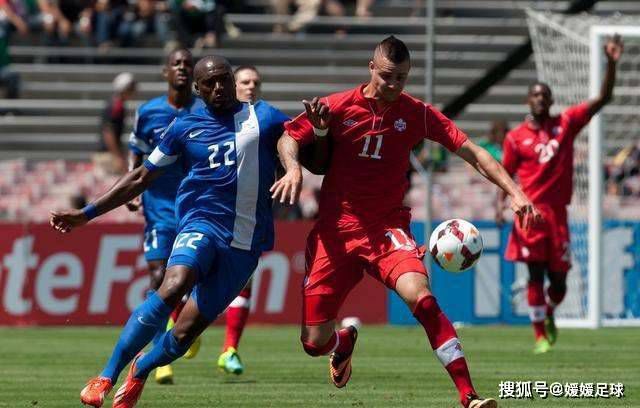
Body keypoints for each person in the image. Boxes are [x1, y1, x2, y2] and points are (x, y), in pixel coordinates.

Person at [273, 35, 538, 408]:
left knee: (423, 299)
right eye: (386, 76)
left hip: (387, 230)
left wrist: (515, 192)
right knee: (314, 343)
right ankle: (342, 341)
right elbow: (288, 137)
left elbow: (472, 152)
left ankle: (468, 395)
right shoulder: (337, 106)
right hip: (335, 233)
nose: (394, 85)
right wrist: (293, 169)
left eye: (401, 77)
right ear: (371, 68)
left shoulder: (417, 113)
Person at [50, 55, 289, 407]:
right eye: (210, 82)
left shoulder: (263, 115)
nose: (220, 87)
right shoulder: (183, 127)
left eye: (224, 79)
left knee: (186, 332)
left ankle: (141, 368)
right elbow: (140, 177)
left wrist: (295, 164)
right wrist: (87, 214)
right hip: (200, 223)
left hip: (245, 241)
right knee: (173, 283)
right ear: (198, 88)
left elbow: (295, 139)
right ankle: (105, 375)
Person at [496, 35, 623, 354]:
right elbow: (504, 175)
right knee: (535, 276)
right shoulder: (515, 138)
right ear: (528, 101)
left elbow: (603, 98)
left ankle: (549, 311)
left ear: (550, 101)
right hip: (529, 215)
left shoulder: (566, 124)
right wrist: (501, 206)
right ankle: (539, 335)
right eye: (535, 95)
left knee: (560, 283)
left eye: (545, 95)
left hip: (558, 215)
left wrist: (611, 63)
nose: (540, 99)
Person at [126, 48, 202, 385]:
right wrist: (132, 189)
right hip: (158, 209)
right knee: (159, 278)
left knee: (185, 282)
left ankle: (188, 325)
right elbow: (137, 153)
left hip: (196, 208)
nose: (183, 68)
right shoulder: (148, 112)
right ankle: (160, 352)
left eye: (188, 64)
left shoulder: (204, 112)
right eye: (177, 64)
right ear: (165, 72)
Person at [214, 64, 264, 375]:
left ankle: (229, 349)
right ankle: (175, 332)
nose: (251, 86)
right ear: (233, 85)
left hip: (248, 215)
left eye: (256, 82)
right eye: (245, 81)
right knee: (190, 276)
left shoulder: (267, 119)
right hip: (212, 212)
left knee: (244, 281)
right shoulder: (213, 118)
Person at [94, 72, 137, 175]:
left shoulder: (115, 103)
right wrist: (117, 156)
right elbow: (108, 131)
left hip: (108, 153)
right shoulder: (116, 106)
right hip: (107, 155)